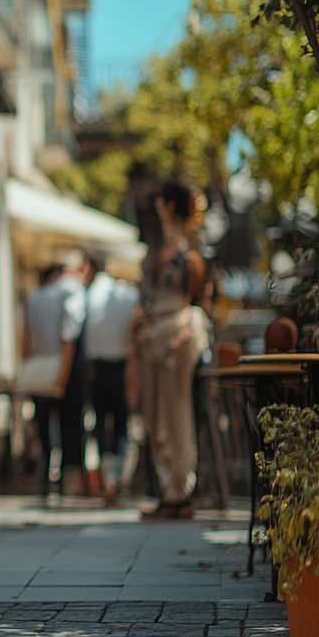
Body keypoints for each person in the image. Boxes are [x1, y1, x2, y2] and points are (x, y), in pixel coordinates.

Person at [135, 181, 211, 520]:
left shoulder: (189, 256)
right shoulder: (154, 251)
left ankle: (180, 490)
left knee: (175, 408)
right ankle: (171, 485)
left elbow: (200, 303)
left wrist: (184, 334)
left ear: (168, 206)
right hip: (152, 336)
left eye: (160, 202)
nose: (156, 208)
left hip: (178, 333)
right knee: (151, 413)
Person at [23, 250, 89, 500]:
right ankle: (67, 482)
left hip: (40, 367)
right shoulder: (71, 292)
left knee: (43, 427)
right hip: (65, 369)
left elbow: (27, 337)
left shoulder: (36, 296)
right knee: (70, 426)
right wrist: (62, 378)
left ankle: (44, 479)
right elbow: (69, 337)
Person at [82, 252, 140, 503]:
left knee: (101, 423)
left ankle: (108, 478)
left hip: (96, 368)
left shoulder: (88, 295)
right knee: (120, 424)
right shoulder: (126, 294)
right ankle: (117, 478)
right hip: (123, 366)